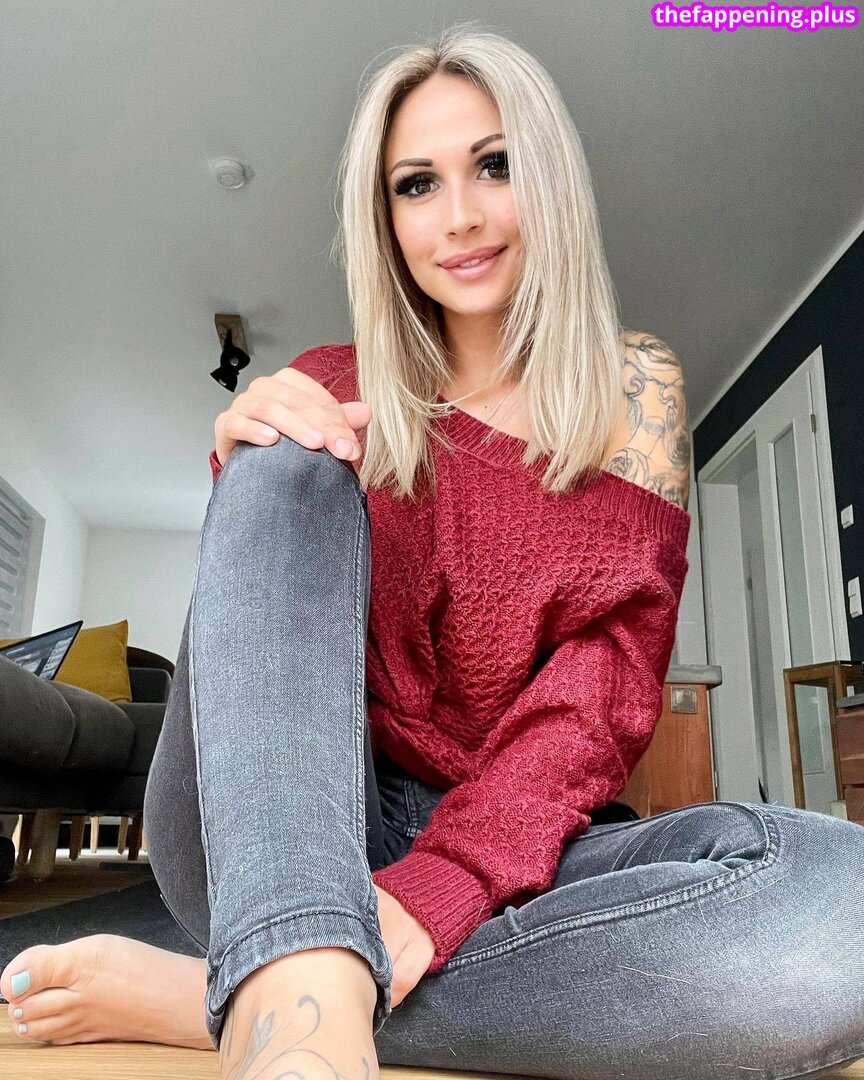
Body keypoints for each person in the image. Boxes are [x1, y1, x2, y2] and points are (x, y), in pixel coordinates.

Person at [3, 21, 863, 1080]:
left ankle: (239, 995)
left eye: (494, 165)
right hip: (287, 827)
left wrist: (448, 878)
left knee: (840, 910)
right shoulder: (336, 382)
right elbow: (262, 659)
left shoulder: (633, 390)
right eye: (416, 184)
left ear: (548, 179)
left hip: (518, 843)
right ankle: (292, 957)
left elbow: (602, 687)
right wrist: (250, 478)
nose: (459, 216)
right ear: (385, 218)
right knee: (283, 445)